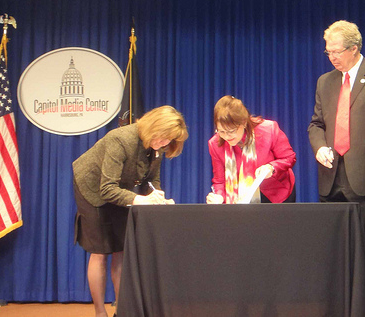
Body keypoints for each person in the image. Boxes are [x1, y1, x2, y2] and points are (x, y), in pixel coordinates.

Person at [308, 20, 365, 316]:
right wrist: (320, 145)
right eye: (328, 52)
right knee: (335, 247)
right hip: (332, 176)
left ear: (354, 49)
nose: (332, 57)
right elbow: (316, 124)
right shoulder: (325, 81)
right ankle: (342, 304)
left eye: (337, 51)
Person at [72, 105, 188, 317]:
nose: (164, 144)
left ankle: (123, 310)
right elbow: (106, 189)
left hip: (120, 190)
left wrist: (158, 197)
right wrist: (140, 200)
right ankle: (100, 312)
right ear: (154, 127)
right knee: (100, 250)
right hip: (92, 189)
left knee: (122, 248)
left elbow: (152, 180)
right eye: (163, 138)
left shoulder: (157, 146)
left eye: (168, 141)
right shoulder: (121, 139)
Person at [206, 95, 296, 204]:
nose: (227, 136)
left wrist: (271, 167)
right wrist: (219, 197)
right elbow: (219, 181)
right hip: (242, 199)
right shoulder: (215, 144)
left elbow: (289, 158)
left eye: (231, 131)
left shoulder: (268, 129)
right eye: (221, 131)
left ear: (244, 122)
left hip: (277, 194)